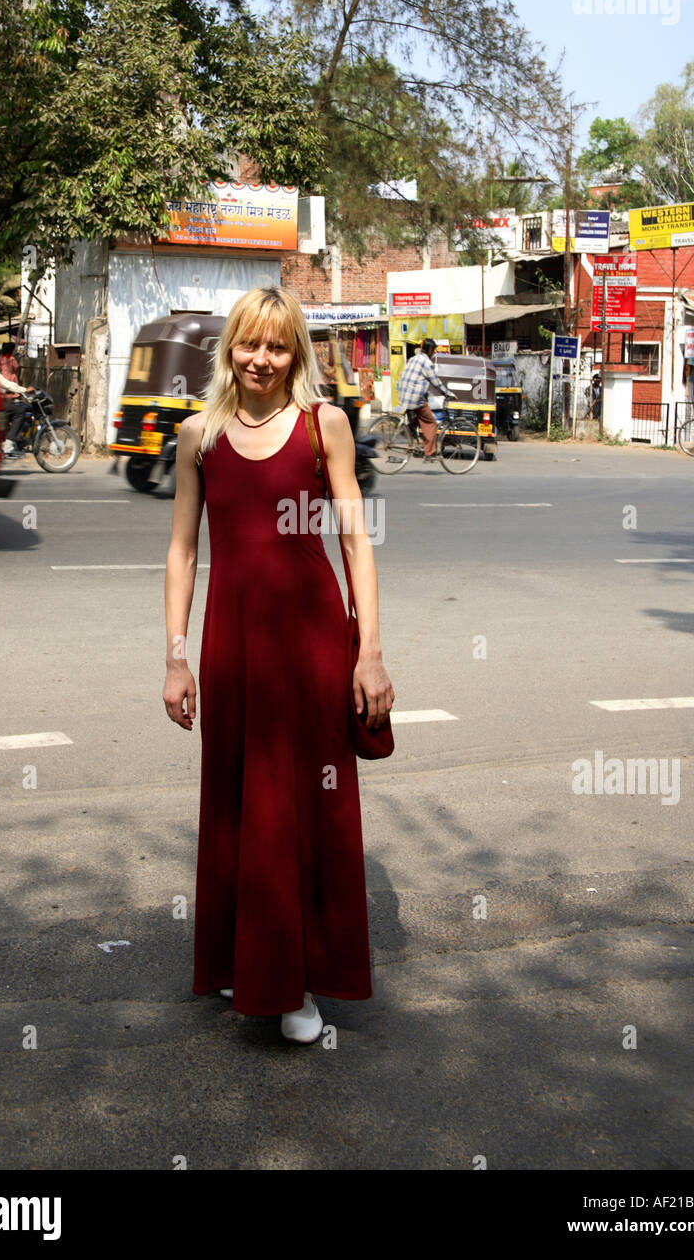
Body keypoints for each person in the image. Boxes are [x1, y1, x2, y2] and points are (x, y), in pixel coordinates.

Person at [163, 286, 394, 1045]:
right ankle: (242, 957)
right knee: (238, 800)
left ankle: (298, 980)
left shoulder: (323, 426)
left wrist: (371, 653)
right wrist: (176, 657)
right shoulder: (198, 436)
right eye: (248, 344)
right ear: (229, 348)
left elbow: (357, 540)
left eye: (277, 346)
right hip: (231, 647)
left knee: (305, 805)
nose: (260, 360)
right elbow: (183, 551)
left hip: (310, 644)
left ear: (297, 353)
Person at [396, 338, 453, 459]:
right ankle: (429, 452)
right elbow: (436, 382)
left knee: (421, 416)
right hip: (415, 398)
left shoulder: (413, 358)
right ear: (431, 350)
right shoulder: (427, 363)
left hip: (403, 395)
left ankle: (406, 429)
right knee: (431, 422)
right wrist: (448, 393)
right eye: (434, 351)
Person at [0, 341, 34, 454]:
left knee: (10, 405)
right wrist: (24, 389)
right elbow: (5, 380)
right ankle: (8, 443)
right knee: (20, 410)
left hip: (3, 388)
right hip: (8, 384)